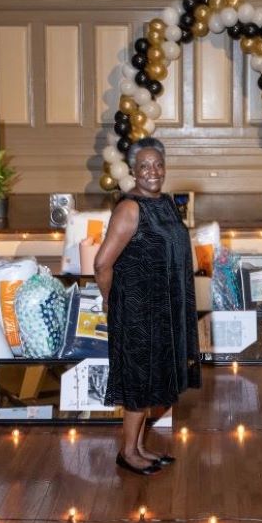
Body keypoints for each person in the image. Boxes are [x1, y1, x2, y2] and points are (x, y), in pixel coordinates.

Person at [95, 138, 200, 476]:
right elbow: (102, 264)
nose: (152, 172)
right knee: (139, 384)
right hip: (138, 310)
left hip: (165, 310)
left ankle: (139, 446)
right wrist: (111, 300)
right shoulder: (130, 209)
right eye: (144, 166)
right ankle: (128, 452)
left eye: (157, 165)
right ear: (133, 171)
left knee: (154, 379)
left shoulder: (167, 204)